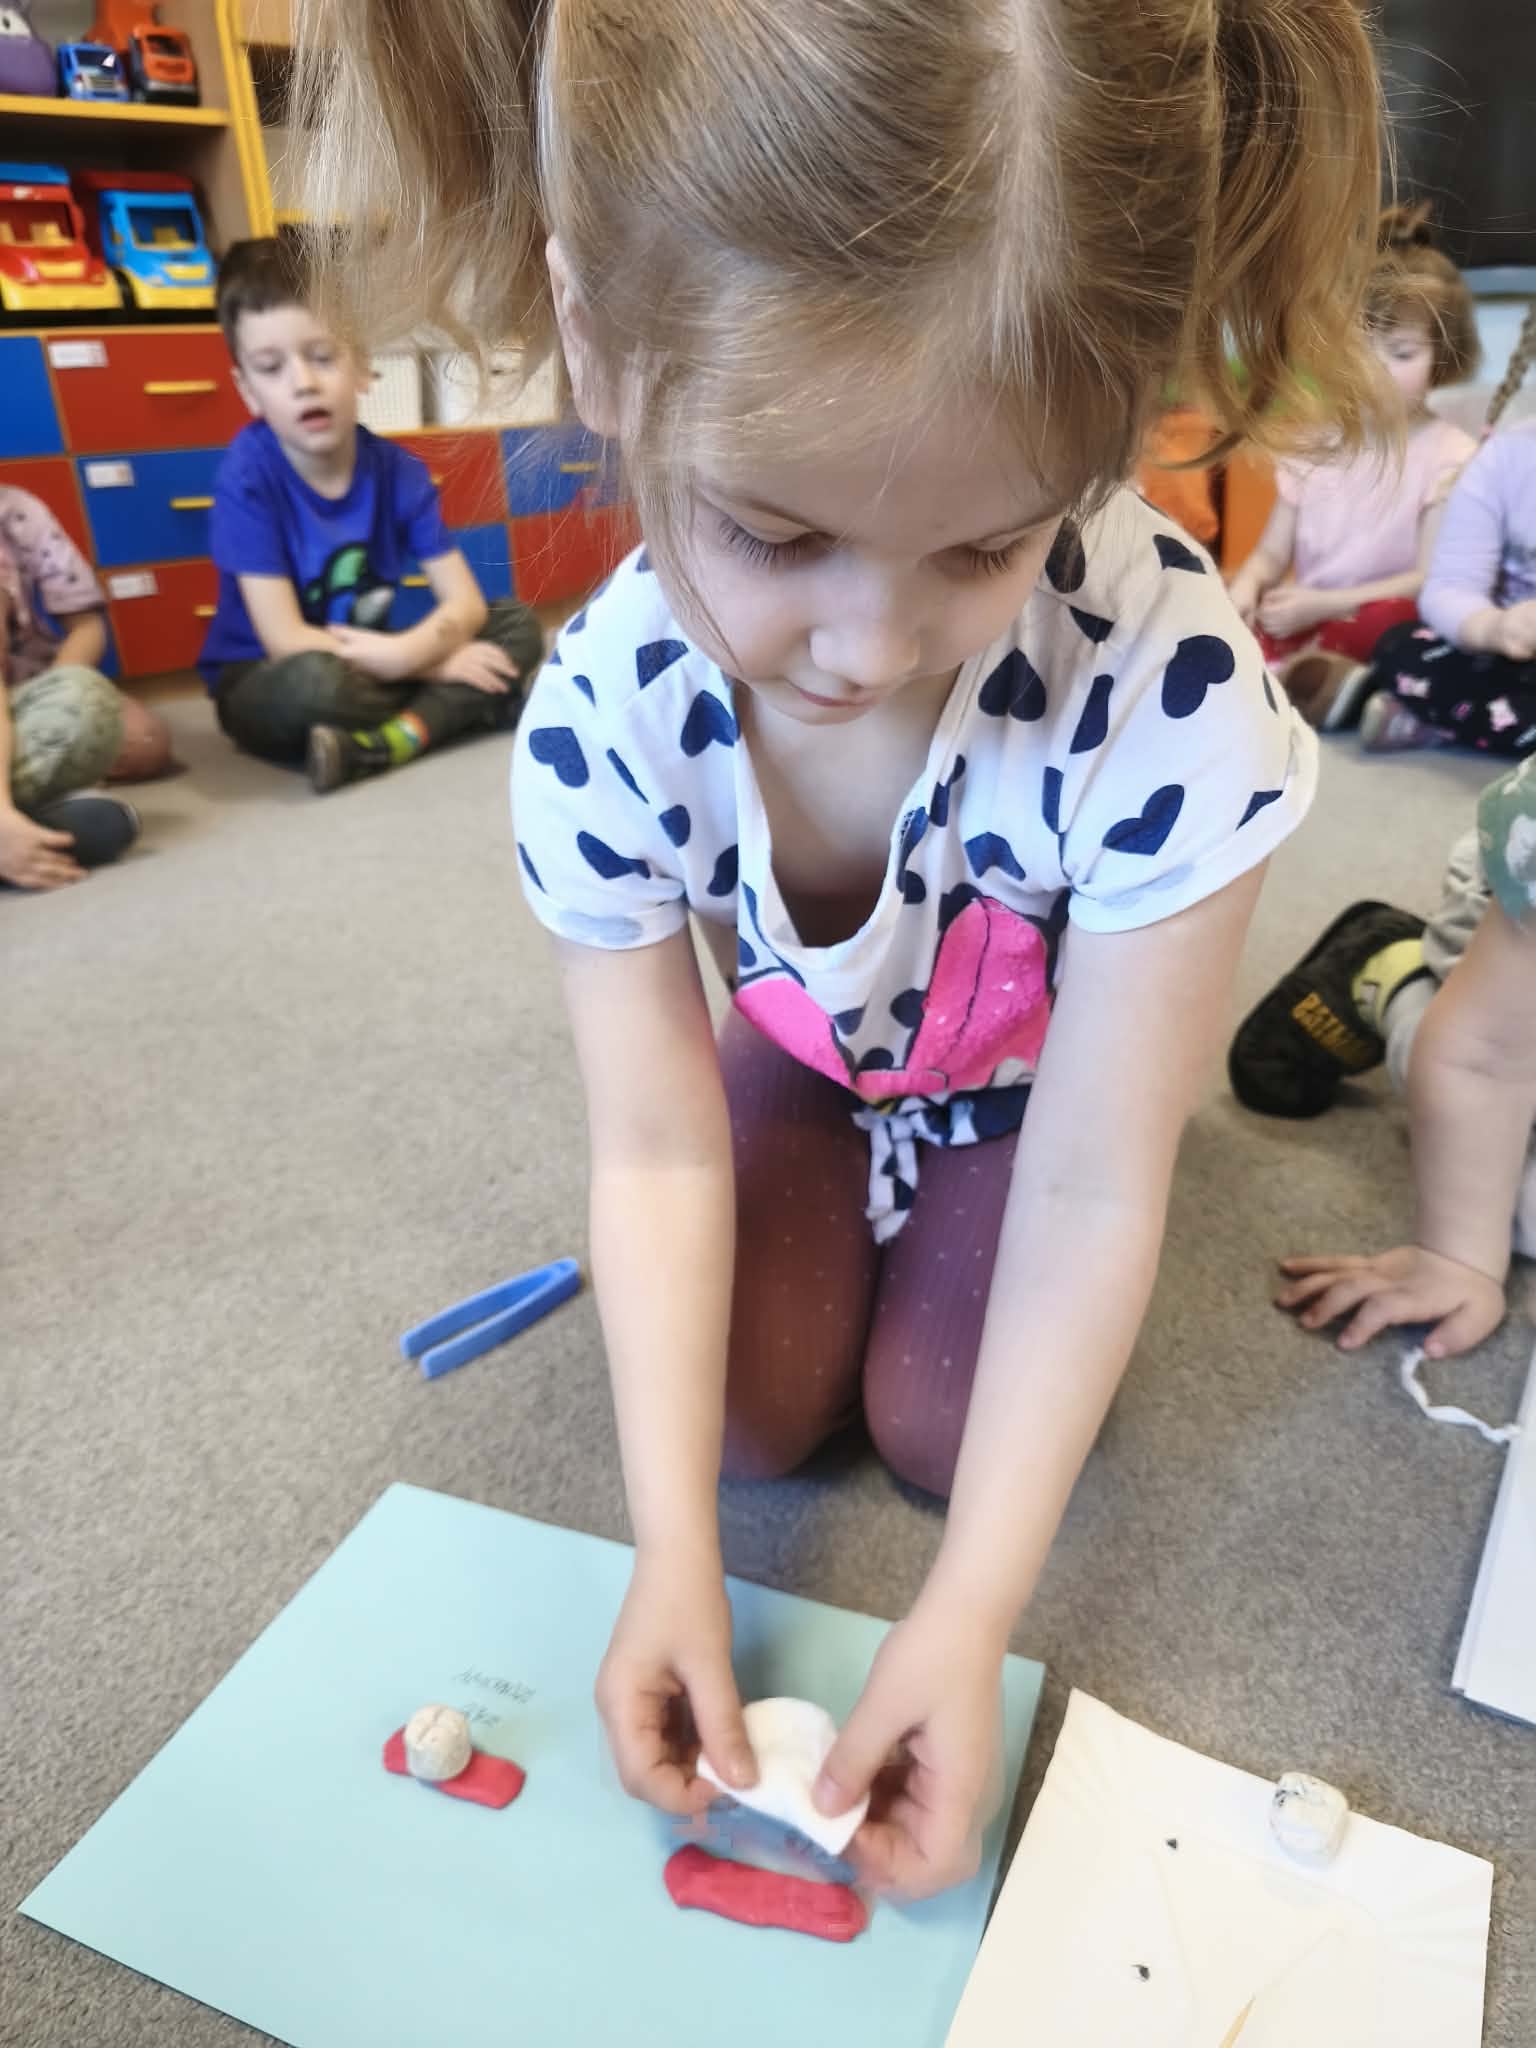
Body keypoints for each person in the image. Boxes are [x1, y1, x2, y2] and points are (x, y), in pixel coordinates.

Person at [304, 0, 1386, 1898]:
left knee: (948, 1431)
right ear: (593, 341)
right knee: (733, 1424)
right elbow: (653, 1151)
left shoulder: (1172, 687)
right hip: (807, 1055)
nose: (869, 651)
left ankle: (916, 1233)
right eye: (771, 530)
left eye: (983, 547)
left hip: (1019, 1092)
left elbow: (1098, 1180)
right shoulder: (605, 711)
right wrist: (666, 1551)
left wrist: (966, 1614)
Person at [199, 238, 545, 794]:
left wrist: (405, 651)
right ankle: (459, 708)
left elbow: (465, 603)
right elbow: (285, 637)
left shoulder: (399, 472)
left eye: (322, 356)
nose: (302, 382)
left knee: (517, 626)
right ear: (247, 390)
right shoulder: (247, 478)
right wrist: (424, 662)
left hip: (372, 653)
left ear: (362, 365)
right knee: (316, 687)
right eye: (271, 367)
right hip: (270, 673)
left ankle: (386, 741)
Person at [1229, 762, 1536, 1359]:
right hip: (1507, 952)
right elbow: (1488, 1058)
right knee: (1501, 1186)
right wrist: (1458, 1257)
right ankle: (1389, 972)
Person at [1226, 206, 1479, 732]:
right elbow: (1270, 555)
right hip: (1307, 617)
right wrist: (1244, 590)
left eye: (1401, 353)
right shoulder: (1310, 445)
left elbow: (1429, 580)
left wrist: (1324, 604)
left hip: (1380, 620)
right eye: (1359, 349)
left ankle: (1303, 684)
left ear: (1443, 357)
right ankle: (1314, 683)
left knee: (1398, 627)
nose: (1376, 371)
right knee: (1224, 621)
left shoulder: (1451, 454)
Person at [1345, 305, 1536, 755]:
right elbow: (1449, 588)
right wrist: (1493, 627)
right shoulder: (1506, 458)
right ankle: (1483, 721)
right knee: (1400, 647)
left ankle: (1448, 724)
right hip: (1511, 657)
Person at [0, 484, 142, 889]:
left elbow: (86, 626)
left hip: (25, 691)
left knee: (137, 739)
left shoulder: (17, 509)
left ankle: (24, 827)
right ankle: (23, 826)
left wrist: (63, 691)